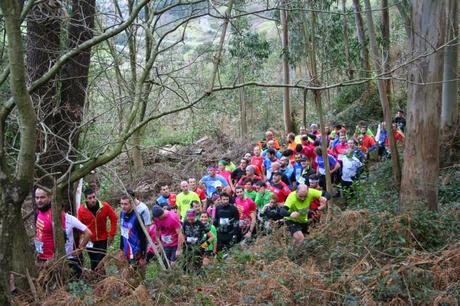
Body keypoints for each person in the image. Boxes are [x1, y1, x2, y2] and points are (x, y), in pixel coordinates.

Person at [35, 188, 92, 278]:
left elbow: (63, 238)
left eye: (42, 197)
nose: (39, 200)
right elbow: (39, 233)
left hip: (54, 260)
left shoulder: (57, 216)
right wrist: (38, 251)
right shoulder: (39, 211)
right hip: (41, 257)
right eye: (37, 198)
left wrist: (79, 249)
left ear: (49, 198)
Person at [78, 188, 117, 270]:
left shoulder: (104, 206)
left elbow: (114, 218)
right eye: (90, 198)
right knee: (93, 261)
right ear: (86, 199)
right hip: (90, 240)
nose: (92, 200)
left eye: (94, 197)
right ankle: (96, 279)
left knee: (101, 261)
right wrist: (81, 239)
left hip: (102, 239)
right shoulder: (81, 210)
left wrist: (112, 234)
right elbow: (79, 226)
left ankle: (102, 279)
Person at [118, 196, 147, 271]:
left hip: (136, 251)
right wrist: (121, 248)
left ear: (131, 204)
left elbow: (143, 237)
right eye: (121, 204)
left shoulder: (137, 217)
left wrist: (143, 255)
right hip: (126, 249)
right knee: (128, 271)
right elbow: (122, 233)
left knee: (135, 273)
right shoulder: (122, 214)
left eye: (125, 204)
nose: (123, 206)